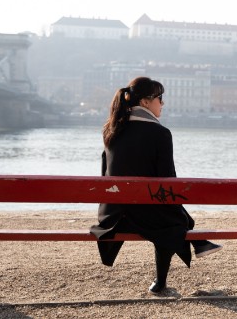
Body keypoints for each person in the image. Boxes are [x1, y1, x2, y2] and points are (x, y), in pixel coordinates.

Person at [90, 76, 222, 294]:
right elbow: (168, 183)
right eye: (159, 98)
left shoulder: (111, 131)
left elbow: (106, 173)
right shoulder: (160, 134)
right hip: (144, 218)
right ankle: (165, 276)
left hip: (113, 216)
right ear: (145, 102)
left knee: (169, 216)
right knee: (171, 220)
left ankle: (198, 242)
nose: (163, 103)